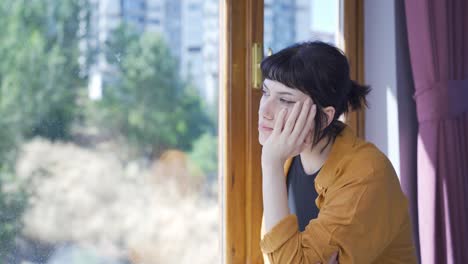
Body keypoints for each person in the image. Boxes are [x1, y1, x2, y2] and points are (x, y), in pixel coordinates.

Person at [258, 41, 417, 264]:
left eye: (284, 99)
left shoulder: (368, 174)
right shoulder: (287, 160)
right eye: (265, 93)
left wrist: (270, 164)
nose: (264, 111)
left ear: (325, 116)